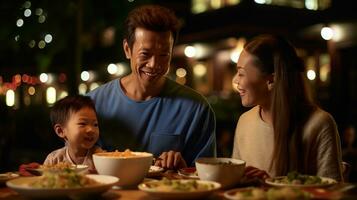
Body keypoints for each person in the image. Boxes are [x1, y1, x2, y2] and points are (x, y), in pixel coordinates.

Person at [87, 5, 216, 169]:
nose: (154, 64)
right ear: (127, 49)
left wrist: (183, 168)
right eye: (145, 54)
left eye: (163, 55)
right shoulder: (93, 103)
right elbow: (76, 161)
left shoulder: (196, 108)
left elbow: (206, 175)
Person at [232, 34, 343, 181]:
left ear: (271, 80)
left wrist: (272, 185)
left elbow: (332, 191)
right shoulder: (245, 121)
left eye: (241, 73)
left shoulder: (319, 123)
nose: (235, 80)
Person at [43, 95, 103, 173]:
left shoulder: (101, 157)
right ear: (60, 131)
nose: (91, 130)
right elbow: (43, 181)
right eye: (83, 124)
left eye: (95, 124)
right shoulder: (54, 160)